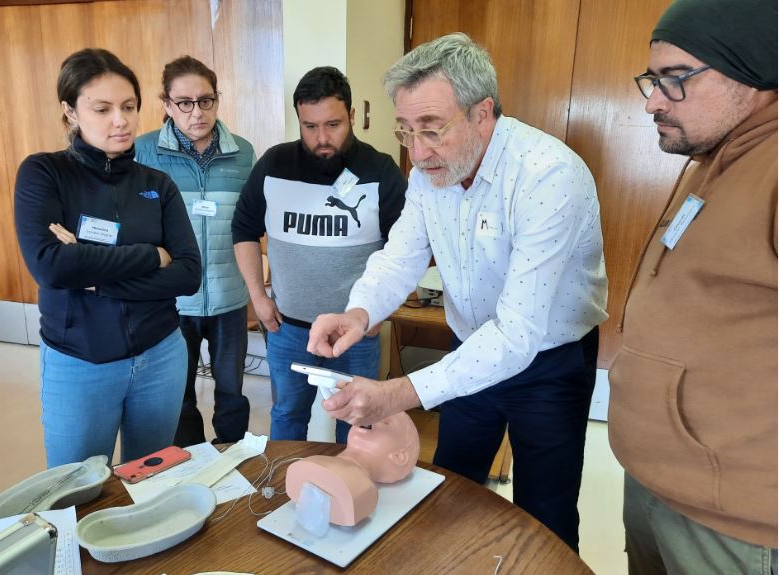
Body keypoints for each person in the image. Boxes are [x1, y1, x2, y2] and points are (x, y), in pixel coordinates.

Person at [307, 33, 608, 551]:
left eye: (432, 130)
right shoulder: (432, 171)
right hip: (470, 351)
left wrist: (397, 394)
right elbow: (400, 256)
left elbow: (517, 335)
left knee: (547, 511)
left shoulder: (548, 175)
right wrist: (360, 312)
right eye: (406, 132)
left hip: (549, 362)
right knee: (452, 485)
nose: (418, 152)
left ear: (482, 113)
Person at [607, 0, 778, 572]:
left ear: (753, 71)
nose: (654, 100)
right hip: (656, 481)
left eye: (675, 79)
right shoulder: (712, 158)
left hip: (736, 522)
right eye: (652, 81)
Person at [14, 48, 201, 467]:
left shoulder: (158, 184)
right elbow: (51, 266)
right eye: (102, 108)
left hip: (161, 355)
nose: (121, 120)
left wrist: (91, 269)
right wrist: (154, 256)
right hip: (80, 361)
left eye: (129, 106)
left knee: (149, 480)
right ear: (71, 111)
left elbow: (189, 275)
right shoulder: (44, 174)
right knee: (77, 490)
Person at [232, 66, 407, 444]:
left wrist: (380, 311)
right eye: (310, 127)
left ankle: (351, 496)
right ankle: (285, 492)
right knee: (288, 416)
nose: (322, 138)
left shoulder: (380, 171)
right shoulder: (273, 165)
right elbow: (243, 229)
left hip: (355, 333)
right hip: (289, 329)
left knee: (358, 424)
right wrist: (258, 297)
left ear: (352, 117)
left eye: (333, 124)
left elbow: (404, 251)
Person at [136, 56, 255, 447]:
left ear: (217, 100)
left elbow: (251, 226)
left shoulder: (243, 153)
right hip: (172, 301)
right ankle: (192, 467)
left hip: (229, 298)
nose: (196, 112)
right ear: (167, 105)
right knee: (179, 394)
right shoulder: (144, 152)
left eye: (206, 100)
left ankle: (234, 458)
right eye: (184, 102)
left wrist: (258, 289)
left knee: (232, 393)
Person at [285, 411, 420, 526]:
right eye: (369, 414)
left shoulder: (359, 493)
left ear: (399, 456)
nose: (368, 420)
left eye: (385, 421)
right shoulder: (310, 464)